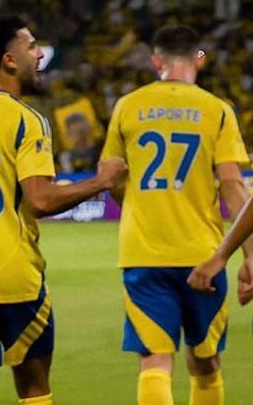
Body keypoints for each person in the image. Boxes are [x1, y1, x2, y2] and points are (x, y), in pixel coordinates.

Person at [0, 16, 127, 405]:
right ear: (9, 60)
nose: (39, 55)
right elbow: (40, 200)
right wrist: (102, 181)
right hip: (15, 278)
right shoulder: (26, 119)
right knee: (35, 392)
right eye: (32, 46)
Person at [100, 25, 251, 405]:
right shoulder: (217, 110)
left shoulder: (128, 106)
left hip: (143, 252)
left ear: (156, 61)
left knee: (154, 360)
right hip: (204, 254)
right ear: (199, 59)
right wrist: (251, 255)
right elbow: (233, 187)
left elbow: (110, 176)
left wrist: (137, 203)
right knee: (205, 361)